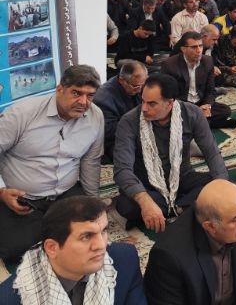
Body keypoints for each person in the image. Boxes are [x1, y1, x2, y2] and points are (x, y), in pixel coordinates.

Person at [0, 65, 103, 264]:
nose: (83, 102)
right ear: (59, 89)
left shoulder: (95, 116)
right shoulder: (22, 114)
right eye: (76, 93)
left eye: (90, 95)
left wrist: (93, 203)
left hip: (66, 192)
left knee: (90, 232)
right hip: (22, 198)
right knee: (15, 249)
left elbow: (91, 161)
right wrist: (2, 191)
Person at [113, 74, 228, 231]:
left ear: (169, 103)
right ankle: (185, 206)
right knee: (126, 206)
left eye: (151, 104)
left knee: (217, 182)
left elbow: (212, 153)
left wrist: (222, 185)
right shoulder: (129, 121)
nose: (144, 108)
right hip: (148, 185)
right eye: (143, 101)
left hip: (182, 178)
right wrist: (144, 201)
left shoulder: (192, 113)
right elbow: (122, 169)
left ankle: (172, 207)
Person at [0, 196, 146, 304]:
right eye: (86, 236)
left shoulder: (125, 260)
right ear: (52, 248)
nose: (101, 245)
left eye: (103, 231)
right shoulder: (12, 298)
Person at [162, 31, 236, 129]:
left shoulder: (208, 61)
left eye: (200, 46)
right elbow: (169, 96)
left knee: (225, 110)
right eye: (194, 47)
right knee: (171, 115)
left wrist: (207, 106)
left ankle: (197, 122)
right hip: (182, 104)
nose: (198, 50)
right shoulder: (170, 64)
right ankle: (208, 123)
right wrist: (196, 110)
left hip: (200, 101)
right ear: (183, 49)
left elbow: (210, 90)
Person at [93, 60, 148, 163]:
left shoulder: (139, 86)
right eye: (136, 86)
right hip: (116, 140)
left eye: (142, 85)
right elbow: (109, 132)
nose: (140, 90)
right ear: (122, 80)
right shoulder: (104, 99)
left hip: (139, 130)